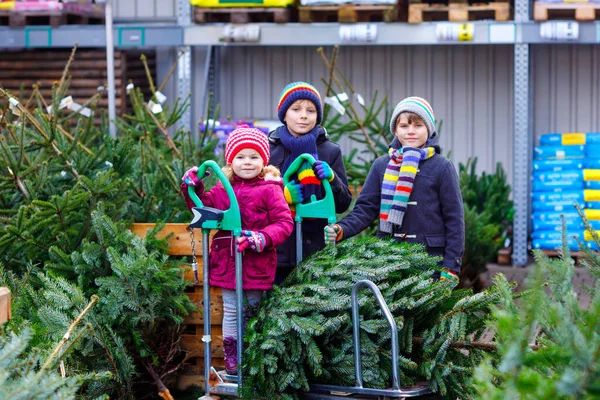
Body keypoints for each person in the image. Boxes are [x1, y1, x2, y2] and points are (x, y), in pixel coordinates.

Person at [181, 125, 293, 375]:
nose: (247, 162)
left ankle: (252, 352)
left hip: (255, 263)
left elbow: (284, 224)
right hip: (228, 262)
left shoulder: (270, 189)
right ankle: (233, 355)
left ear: (264, 161)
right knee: (231, 310)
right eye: (241, 157)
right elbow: (203, 208)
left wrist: (261, 238)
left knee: (251, 310)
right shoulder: (223, 188)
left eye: (254, 157)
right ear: (231, 161)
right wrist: (193, 188)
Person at [324, 97, 464, 277]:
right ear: (395, 131)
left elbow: (454, 219)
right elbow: (365, 209)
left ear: (429, 129)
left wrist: (451, 266)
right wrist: (342, 229)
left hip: (431, 261)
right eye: (404, 126)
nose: (411, 131)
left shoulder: (442, 167)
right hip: (389, 259)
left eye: (418, 125)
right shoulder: (381, 166)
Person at [268, 82, 353, 282]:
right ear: (284, 114)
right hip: (279, 250)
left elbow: (343, 204)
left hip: (316, 249)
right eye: (296, 109)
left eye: (311, 110)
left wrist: (332, 179)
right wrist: (282, 194)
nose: (303, 115)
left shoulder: (330, 151)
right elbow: (254, 196)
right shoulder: (270, 150)